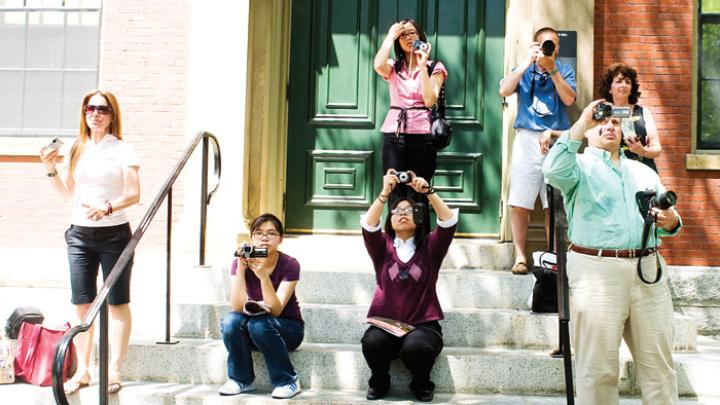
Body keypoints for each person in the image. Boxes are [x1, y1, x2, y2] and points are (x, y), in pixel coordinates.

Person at [542, 100, 682, 404]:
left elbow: (668, 218)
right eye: (600, 123)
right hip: (596, 271)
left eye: (616, 123)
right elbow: (551, 170)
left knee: (660, 369)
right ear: (589, 132)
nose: (609, 126)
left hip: (648, 271)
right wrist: (581, 122)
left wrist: (670, 221)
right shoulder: (577, 167)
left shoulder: (643, 172)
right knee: (597, 370)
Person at [39, 90, 140, 395]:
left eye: (102, 109)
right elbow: (67, 194)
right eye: (89, 108)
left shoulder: (123, 149)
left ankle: (114, 369)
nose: (95, 114)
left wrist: (108, 207)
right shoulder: (77, 148)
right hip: (79, 235)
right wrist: (49, 168)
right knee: (82, 303)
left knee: (117, 301)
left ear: (112, 115)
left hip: (114, 234)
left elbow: (134, 193)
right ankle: (83, 370)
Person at [360, 169, 457, 402]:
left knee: (416, 348)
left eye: (409, 210)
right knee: (372, 341)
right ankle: (379, 381)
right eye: (397, 211)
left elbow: (449, 221)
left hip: (423, 324)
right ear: (390, 219)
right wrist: (385, 193)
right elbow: (368, 224)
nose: (402, 214)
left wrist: (428, 192)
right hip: (386, 323)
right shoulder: (382, 247)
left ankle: (421, 384)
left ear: (419, 216)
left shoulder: (431, 247)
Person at [499, 26, 576, 275]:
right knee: (520, 201)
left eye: (552, 44)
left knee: (553, 203)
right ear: (535, 44)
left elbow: (569, 99)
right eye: (544, 44)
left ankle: (553, 258)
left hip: (556, 139)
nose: (548, 48)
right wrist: (526, 62)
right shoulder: (524, 69)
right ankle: (520, 256)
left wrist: (551, 68)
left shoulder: (564, 70)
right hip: (526, 139)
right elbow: (504, 90)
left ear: (558, 48)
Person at [219, 213, 304, 399]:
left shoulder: (290, 265)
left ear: (280, 239)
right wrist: (241, 269)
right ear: (251, 238)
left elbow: (276, 310)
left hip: (288, 328)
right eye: (259, 233)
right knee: (230, 321)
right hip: (255, 329)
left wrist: (264, 276)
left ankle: (288, 380)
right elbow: (236, 306)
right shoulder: (240, 263)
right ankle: (240, 380)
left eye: (271, 233)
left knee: (260, 323)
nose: (265, 237)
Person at [374, 19, 447, 184]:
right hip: (394, 134)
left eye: (412, 32)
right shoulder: (393, 67)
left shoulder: (434, 67)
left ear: (421, 36)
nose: (408, 37)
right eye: (402, 35)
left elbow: (429, 101)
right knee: (393, 188)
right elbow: (378, 65)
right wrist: (389, 37)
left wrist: (422, 66)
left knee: (419, 190)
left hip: (423, 135)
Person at [600, 62, 661, 172]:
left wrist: (642, 151)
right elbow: (588, 136)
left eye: (627, 82)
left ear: (631, 88)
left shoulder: (643, 112)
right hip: (613, 174)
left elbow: (657, 149)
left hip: (643, 173)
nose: (623, 85)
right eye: (618, 81)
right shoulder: (602, 112)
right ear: (609, 88)